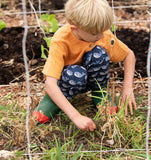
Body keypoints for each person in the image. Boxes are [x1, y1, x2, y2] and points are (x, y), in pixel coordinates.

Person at [32, 0, 137, 132]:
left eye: (104, 30)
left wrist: (127, 88)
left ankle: (99, 92)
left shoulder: (101, 34)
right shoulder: (61, 40)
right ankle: (53, 101)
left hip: (93, 78)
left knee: (99, 54)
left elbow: (129, 55)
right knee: (75, 72)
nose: (101, 36)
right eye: (95, 34)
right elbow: (50, 84)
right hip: (69, 79)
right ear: (75, 28)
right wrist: (76, 116)